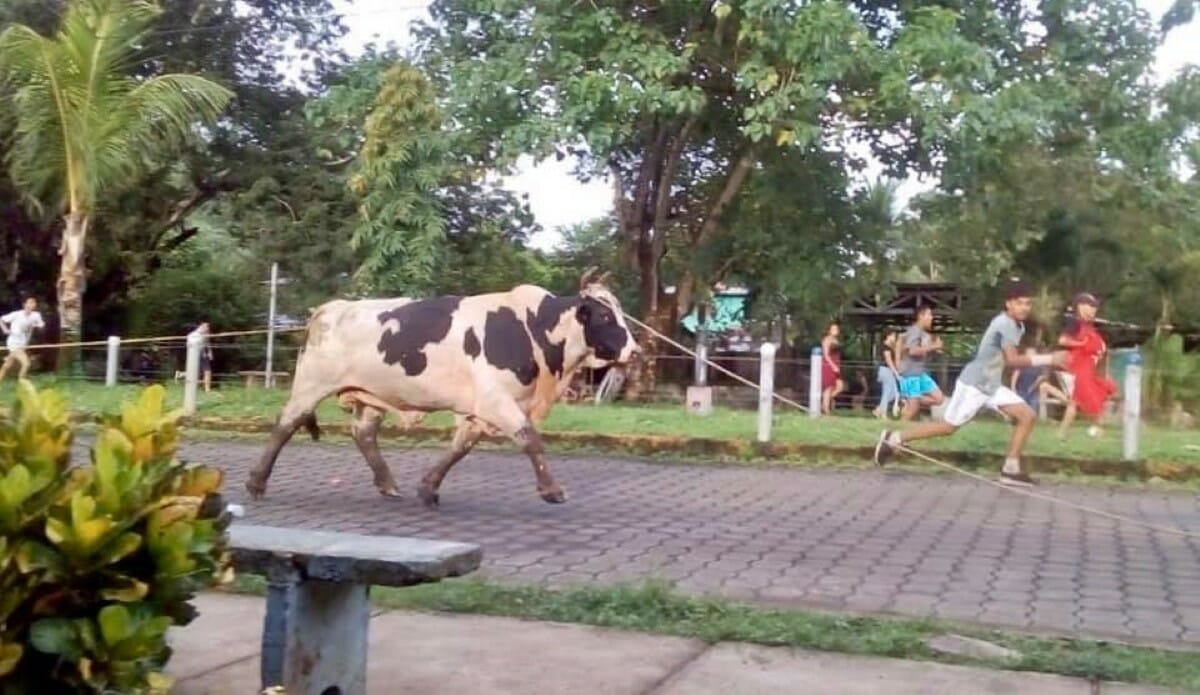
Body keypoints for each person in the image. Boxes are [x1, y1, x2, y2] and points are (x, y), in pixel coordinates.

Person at [873, 280, 1068, 487]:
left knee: (1027, 416)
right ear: (1009, 304)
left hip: (991, 385)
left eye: (1028, 304)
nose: (1024, 308)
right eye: (1020, 303)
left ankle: (1010, 469)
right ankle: (894, 437)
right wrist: (1049, 359)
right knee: (948, 427)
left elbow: (1004, 360)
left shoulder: (1016, 326)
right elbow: (1011, 360)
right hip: (974, 384)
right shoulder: (1004, 324)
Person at [1057, 292, 1116, 439]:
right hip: (1081, 371)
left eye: (1095, 307)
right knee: (1094, 399)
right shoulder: (1075, 323)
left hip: (1089, 369)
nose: (1094, 310)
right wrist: (1081, 344)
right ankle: (1098, 431)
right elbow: (1063, 340)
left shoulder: (1089, 326)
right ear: (1081, 307)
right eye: (1091, 306)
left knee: (1074, 402)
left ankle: (1061, 434)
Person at [896, 304, 946, 421]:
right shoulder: (914, 331)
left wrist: (934, 349)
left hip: (920, 373)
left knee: (939, 399)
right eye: (929, 315)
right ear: (920, 316)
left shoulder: (923, 334)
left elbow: (920, 352)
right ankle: (894, 432)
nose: (931, 318)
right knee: (913, 409)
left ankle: (909, 400)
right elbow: (913, 351)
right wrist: (934, 346)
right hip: (910, 373)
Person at [0, 297, 46, 382]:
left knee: (7, 365)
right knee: (26, 364)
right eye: (30, 302)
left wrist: (40, 327)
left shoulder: (36, 315)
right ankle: (22, 383)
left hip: (23, 344)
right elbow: (1, 319)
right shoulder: (16, 314)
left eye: (33, 303)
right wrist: (5, 330)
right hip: (13, 343)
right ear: (24, 304)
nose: (32, 304)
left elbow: (41, 325)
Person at [873, 331, 902, 419]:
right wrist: (896, 374)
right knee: (887, 392)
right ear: (888, 336)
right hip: (885, 370)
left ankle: (879, 410)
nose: (894, 338)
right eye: (893, 336)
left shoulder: (890, 347)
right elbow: (889, 361)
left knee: (894, 393)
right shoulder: (885, 347)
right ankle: (883, 413)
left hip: (888, 371)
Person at [820, 321, 845, 415]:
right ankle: (826, 409)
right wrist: (833, 365)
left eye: (837, 329)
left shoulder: (836, 340)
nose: (836, 331)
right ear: (829, 330)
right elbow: (826, 355)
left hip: (837, 364)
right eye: (833, 329)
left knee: (840, 386)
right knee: (829, 387)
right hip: (829, 365)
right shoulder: (827, 340)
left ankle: (825, 403)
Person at [187, 320, 215, 392]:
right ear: (201, 326)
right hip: (194, 355)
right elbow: (190, 345)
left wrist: (209, 352)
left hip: (203, 354)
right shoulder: (193, 335)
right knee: (194, 372)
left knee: (207, 371)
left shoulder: (206, 334)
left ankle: (207, 389)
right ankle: (192, 387)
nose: (207, 328)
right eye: (206, 326)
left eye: (208, 327)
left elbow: (207, 342)